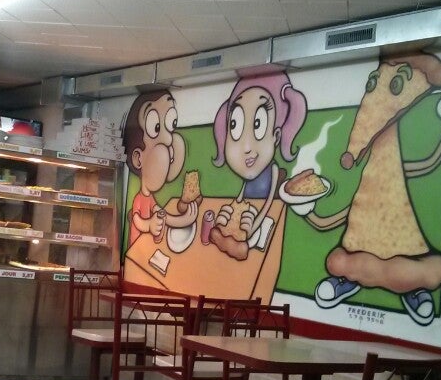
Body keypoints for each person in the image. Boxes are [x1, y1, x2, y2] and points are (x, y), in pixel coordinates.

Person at [211, 69, 307, 253]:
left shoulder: (273, 170)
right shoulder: (248, 177)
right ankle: (228, 240)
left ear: (276, 136)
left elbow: (269, 203)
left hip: (264, 222)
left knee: (248, 247)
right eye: (235, 126)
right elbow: (240, 198)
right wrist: (228, 215)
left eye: (258, 125)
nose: (247, 147)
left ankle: (239, 246)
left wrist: (253, 226)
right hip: (247, 217)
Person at [122, 89, 198, 247]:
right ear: (138, 158)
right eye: (156, 127)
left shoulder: (150, 198)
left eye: (171, 125)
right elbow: (137, 220)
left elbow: (163, 215)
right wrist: (149, 225)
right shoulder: (138, 199)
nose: (169, 139)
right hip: (136, 250)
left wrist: (184, 220)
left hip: (147, 248)